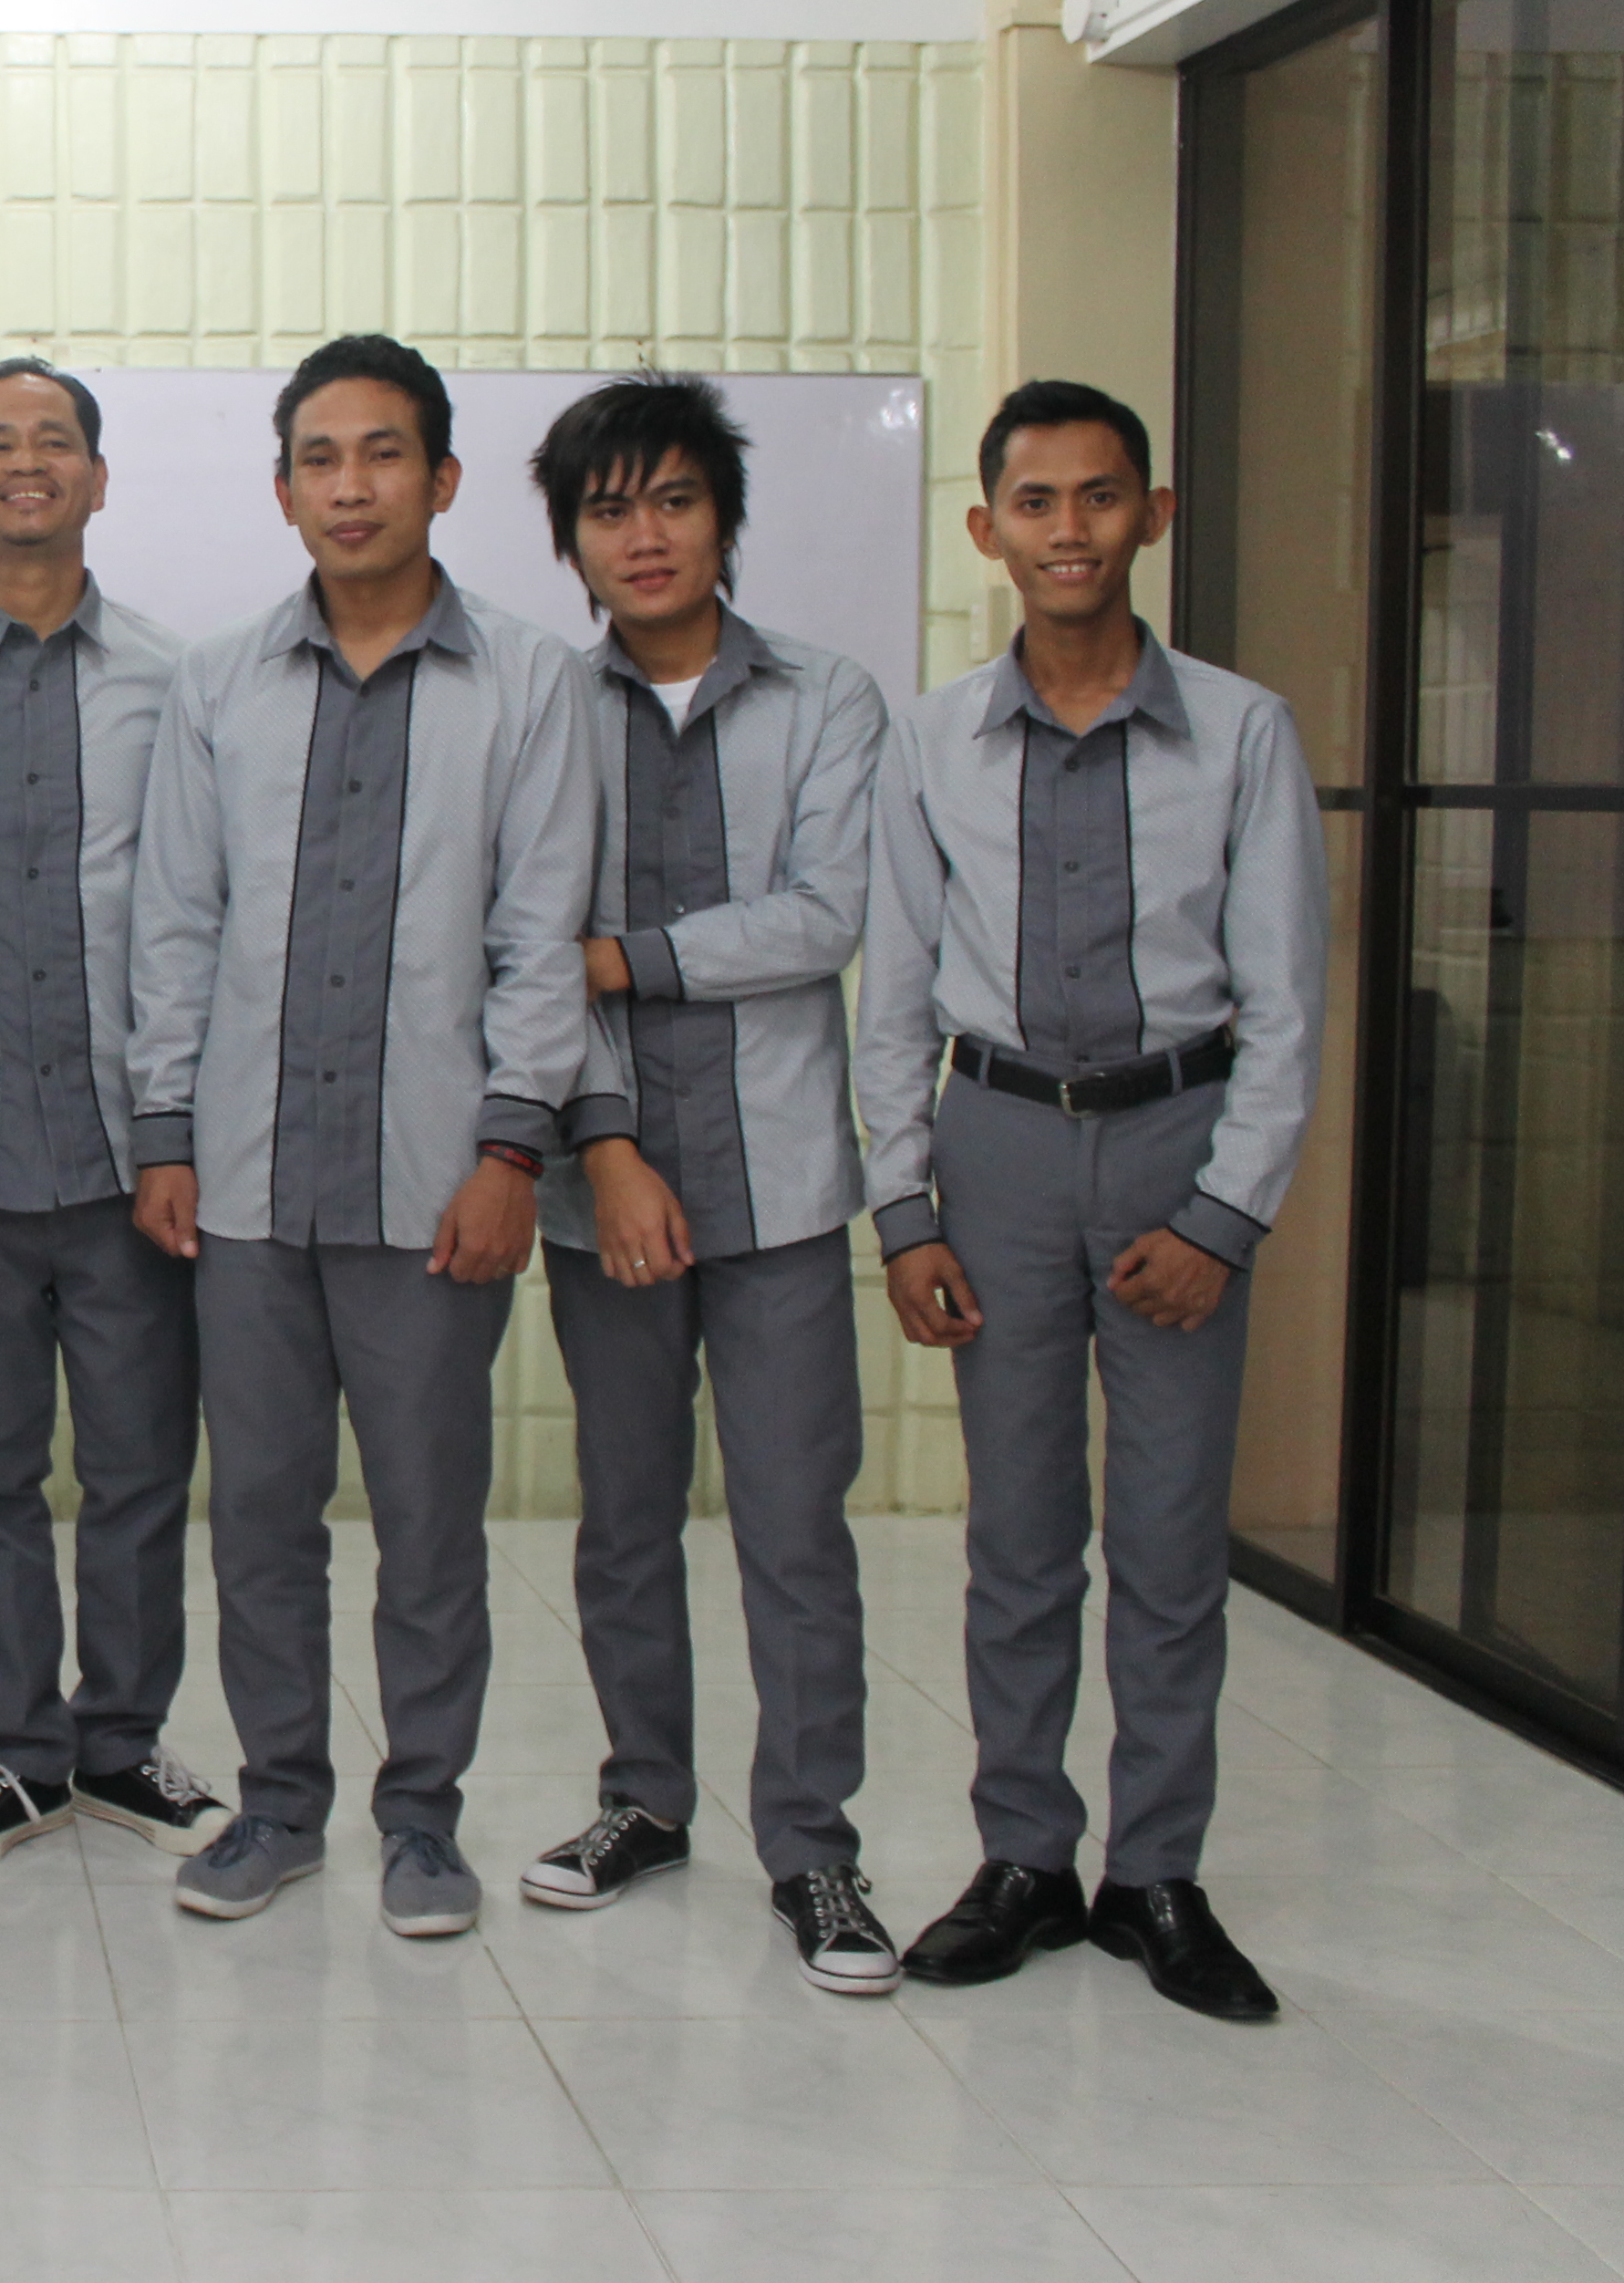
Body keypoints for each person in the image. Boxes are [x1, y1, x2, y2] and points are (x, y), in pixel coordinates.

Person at [865, 379, 1324, 2024]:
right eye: (1037, 502)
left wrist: (1222, 1220)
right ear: (986, 530)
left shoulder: (1244, 733)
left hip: (1173, 1143)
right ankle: (1025, 1860)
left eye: (1102, 496)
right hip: (992, 1144)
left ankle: (1157, 1877)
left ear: (1154, 516)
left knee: (1171, 1538)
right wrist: (905, 1210)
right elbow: (893, 998)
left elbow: (1286, 1008)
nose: (1071, 530)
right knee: (1018, 1535)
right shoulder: (930, 740)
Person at [127, 334, 594, 1936]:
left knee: (427, 1529)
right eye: (319, 459)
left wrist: (512, 1150)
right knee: (260, 1521)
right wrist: (167, 1130)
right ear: (282, 492)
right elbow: (176, 923)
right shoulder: (216, 685)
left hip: (435, 1185)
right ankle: (277, 1807)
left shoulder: (531, 684)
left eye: (383, 454)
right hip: (249, 1187)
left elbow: (542, 938)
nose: (351, 486)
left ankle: (424, 1822)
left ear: (442, 479)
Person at [509, 373, 899, 1995]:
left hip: (781, 1179)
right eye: (609, 511)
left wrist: (627, 957)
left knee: (796, 1527)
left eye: (674, 500)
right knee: (624, 1519)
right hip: (600, 1184)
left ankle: (814, 1849)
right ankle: (645, 1801)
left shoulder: (829, 698)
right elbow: (530, 947)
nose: (645, 535)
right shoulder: (544, 708)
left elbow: (824, 915)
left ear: (726, 520)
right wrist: (604, 1143)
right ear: (572, 545)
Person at [0, 359, 224, 1874]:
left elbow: (195, 913)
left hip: (124, 1155)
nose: (27, 463)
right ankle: (19, 1757)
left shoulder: (175, 679)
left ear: (96, 479)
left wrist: (175, 1126)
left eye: (56, 441)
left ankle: (125, 1745)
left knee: (141, 1469)